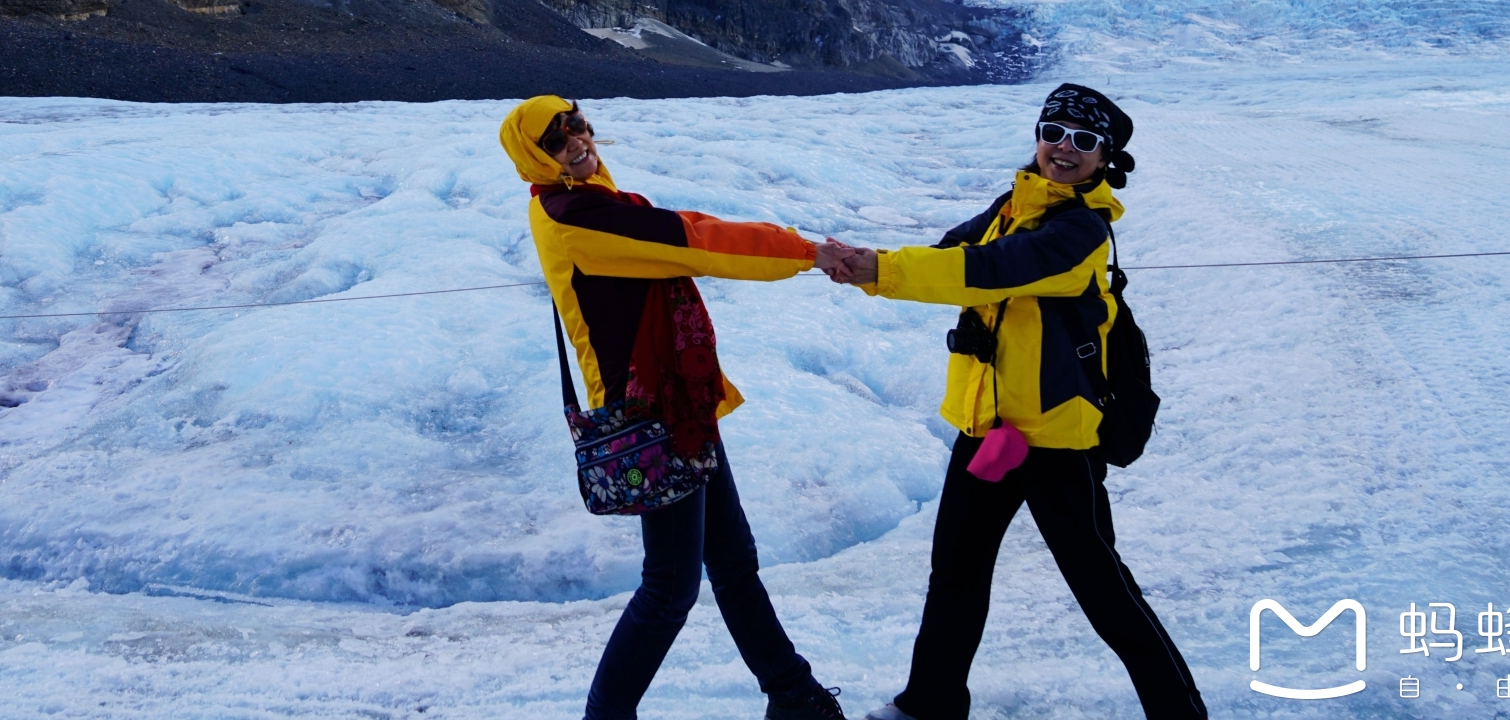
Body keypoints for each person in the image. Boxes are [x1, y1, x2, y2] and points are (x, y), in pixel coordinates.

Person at [815, 84, 1207, 720]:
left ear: (1105, 159)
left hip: (1055, 439)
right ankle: (931, 702)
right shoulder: (1015, 205)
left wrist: (878, 271)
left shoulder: (1080, 228)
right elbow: (953, 255)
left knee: (1103, 591)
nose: (1064, 149)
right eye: (1054, 132)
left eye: (1084, 141)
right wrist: (867, 260)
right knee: (957, 574)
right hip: (990, 430)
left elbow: (990, 269)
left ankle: (1181, 712)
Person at [499, 94, 847, 720]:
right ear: (536, 157)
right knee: (669, 587)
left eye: (578, 126)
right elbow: (692, 240)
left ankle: (794, 696)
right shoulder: (576, 214)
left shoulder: (595, 203)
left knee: (732, 563)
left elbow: (672, 228)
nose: (577, 142)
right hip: (648, 414)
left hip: (677, 405)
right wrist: (804, 252)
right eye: (557, 140)